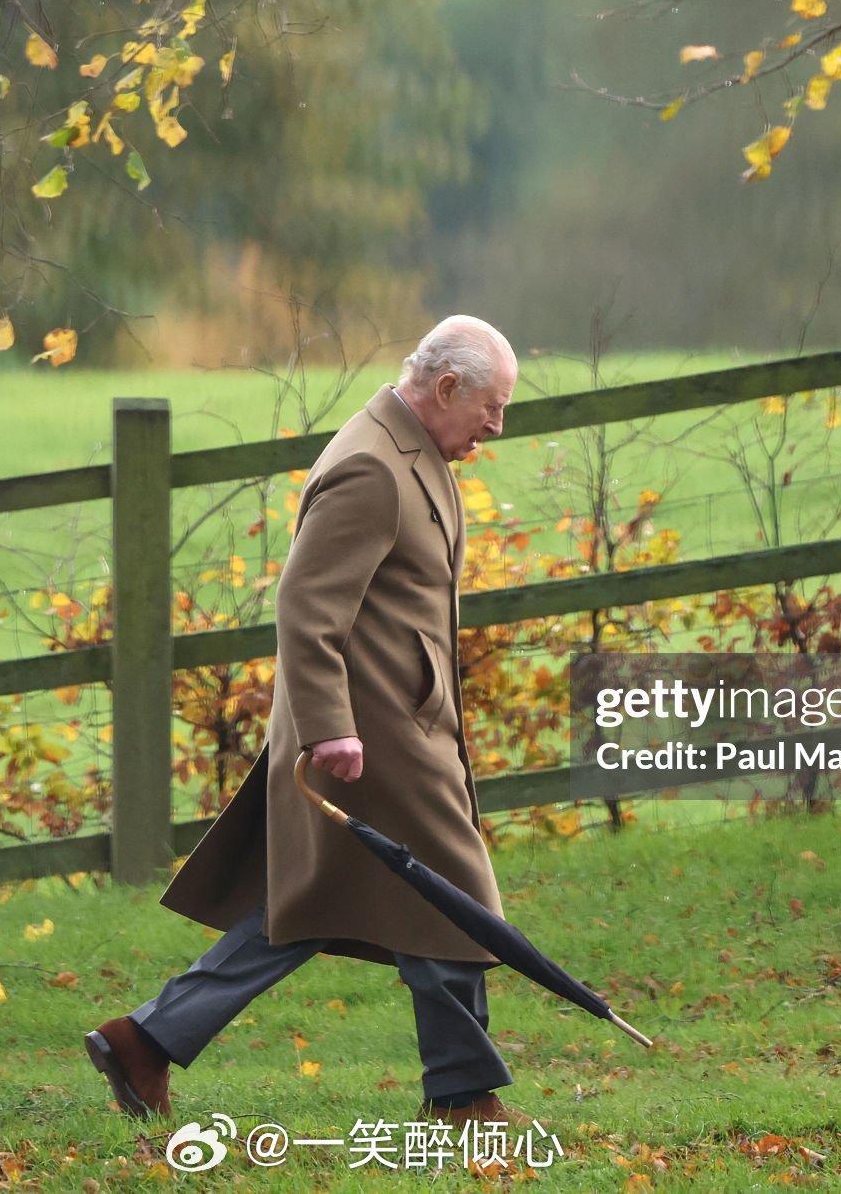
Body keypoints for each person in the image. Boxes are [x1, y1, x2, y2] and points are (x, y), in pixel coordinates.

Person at [84, 316, 524, 1133]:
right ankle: (464, 1096)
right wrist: (329, 727)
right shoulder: (371, 466)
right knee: (454, 900)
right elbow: (306, 605)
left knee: (309, 905)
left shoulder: (411, 448)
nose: (496, 426)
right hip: (374, 741)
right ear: (448, 387)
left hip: (399, 727)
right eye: (491, 407)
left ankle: (144, 1041)